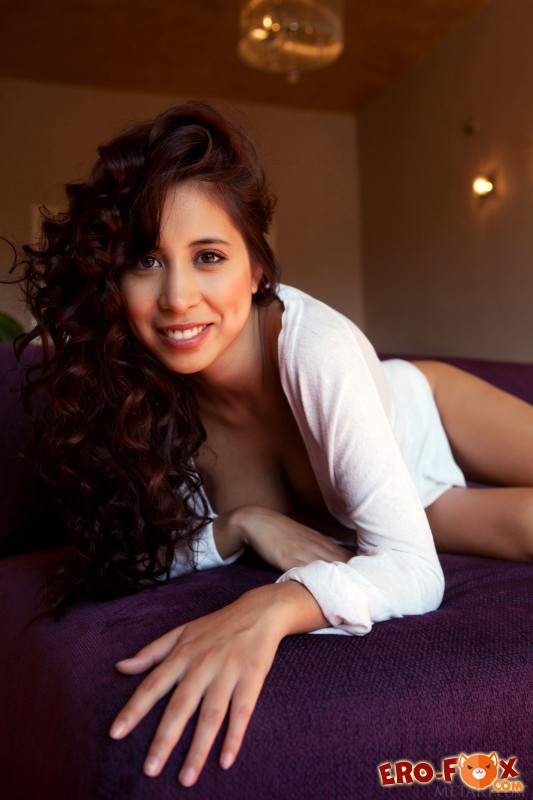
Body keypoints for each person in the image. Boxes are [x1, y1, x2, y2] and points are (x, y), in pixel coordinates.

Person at [14, 101, 533, 788]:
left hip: (420, 408)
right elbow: (132, 555)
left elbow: (414, 575)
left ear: (256, 267)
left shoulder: (316, 349)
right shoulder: (136, 391)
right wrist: (241, 524)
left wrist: (275, 605)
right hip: (412, 502)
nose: (177, 297)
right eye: (146, 261)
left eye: (208, 257)